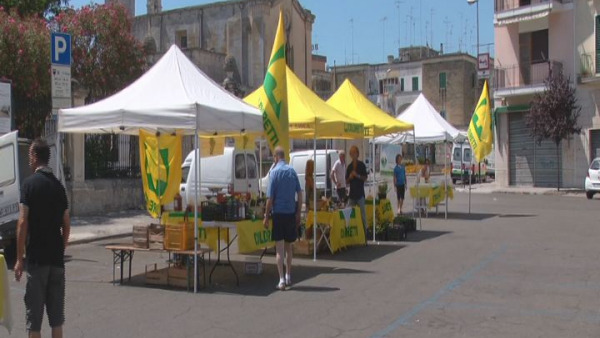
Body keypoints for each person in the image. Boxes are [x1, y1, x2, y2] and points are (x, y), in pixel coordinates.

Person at [15, 139, 70, 338]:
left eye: (30, 156)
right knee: (56, 320)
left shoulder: (29, 185)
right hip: (56, 261)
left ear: (35, 157)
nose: (29, 161)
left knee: (34, 321)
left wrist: (20, 259)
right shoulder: (59, 187)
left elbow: (22, 222)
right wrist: (61, 247)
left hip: (37, 261)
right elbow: (66, 223)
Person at [263, 146, 302, 291]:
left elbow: (270, 198)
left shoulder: (274, 173)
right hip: (290, 213)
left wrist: (266, 216)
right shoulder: (292, 171)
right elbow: (300, 193)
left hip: (278, 214)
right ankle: (288, 276)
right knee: (289, 248)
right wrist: (298, 212)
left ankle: (281, 280)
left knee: (279, 249)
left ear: (275, 157)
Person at [345, 145, 368, 245]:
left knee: (362, 216)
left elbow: (365, 178)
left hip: (360, 194)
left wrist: (357, 175)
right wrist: (350, 177)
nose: (353, 155)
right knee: (348, 215)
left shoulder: (361, 165)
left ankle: (365, 237)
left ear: (358, 154)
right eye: (352, 153)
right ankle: (350, 237)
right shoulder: (349, 167)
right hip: (352, 194)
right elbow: (346, 182)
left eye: (355, 153)